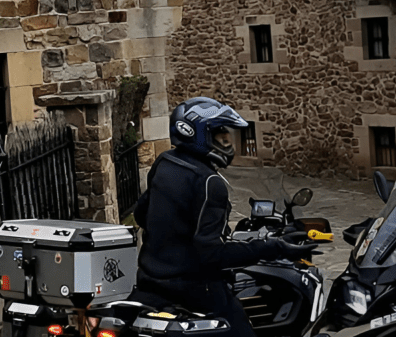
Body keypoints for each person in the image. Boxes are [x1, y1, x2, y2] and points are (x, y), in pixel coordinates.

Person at [132, 97, 313, 337]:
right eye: (219, 137)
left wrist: (173, 238)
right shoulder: (210, 182)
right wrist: (274, 247)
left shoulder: (164, 162)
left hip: (149, 283)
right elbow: (213, 255)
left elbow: (141, 214)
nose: (227, 145)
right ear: (195, 134)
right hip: (195, 291)